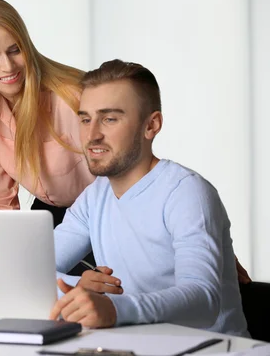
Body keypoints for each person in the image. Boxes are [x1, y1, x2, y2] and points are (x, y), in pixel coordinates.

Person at [50, 59, 249, 336]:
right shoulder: (94, 197)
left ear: (151, 125)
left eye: (109, 118)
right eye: (85, 119)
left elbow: (203, 299)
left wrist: (115, 308)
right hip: (136, 347)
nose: (92, 134)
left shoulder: (187, 192)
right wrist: (78, 286)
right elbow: (31, 270)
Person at [0, 0, 95, 274]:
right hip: (53, 215)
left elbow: (124, 179)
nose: (8, 67)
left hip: (107, 215)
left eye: (15, 50)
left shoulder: (74, 97)